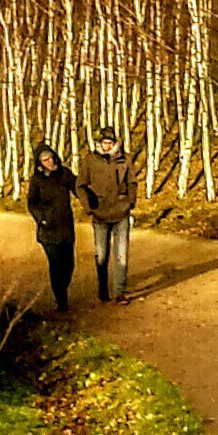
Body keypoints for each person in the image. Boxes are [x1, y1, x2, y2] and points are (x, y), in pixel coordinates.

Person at [77, 126, 137, 304]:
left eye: (110, 143)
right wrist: (88, 207)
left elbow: (132, 182)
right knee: (102, 255)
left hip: (121, 213)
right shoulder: (90, 160)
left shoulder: (124, 159)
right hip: (100, 215)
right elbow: (81, 185)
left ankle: (120, 292)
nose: (107, 146)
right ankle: (102, 287)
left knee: (122, 255)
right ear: (99, 143)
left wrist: (130, 202)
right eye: (104, 143)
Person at [27, 143, 78, 312]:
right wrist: (42, 219)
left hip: (66, 228)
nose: (49, 161)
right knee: (55, 265)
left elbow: (79, 189)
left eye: (50, 158)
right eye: (45, 160)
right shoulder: (37, 181)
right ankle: (61, 300)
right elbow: (32, 203)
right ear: (39, 163)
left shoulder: (64, 174)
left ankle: (62, 289)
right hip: (48, 231)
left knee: (69, 265)